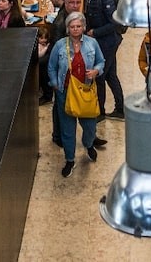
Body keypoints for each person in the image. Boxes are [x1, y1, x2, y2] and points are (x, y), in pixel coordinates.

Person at [47, 11, 104, 177]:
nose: (76, 29)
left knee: (90, 126)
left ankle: (88, 144)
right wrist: (56, 85)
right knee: (67, 129)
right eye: (72, 26)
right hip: (65, 94)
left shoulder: (92, 44)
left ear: (84, 27)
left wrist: (96, 71)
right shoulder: (59, 46)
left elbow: (101, 61)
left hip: (86, 92)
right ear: (67, 29)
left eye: (79, 26)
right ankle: (70, 159)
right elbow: (51, 67)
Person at [83, 0, 124, 119]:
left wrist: (95, 32)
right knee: (111, 75)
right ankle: (120, 108)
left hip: (107, 43)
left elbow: (115, 22)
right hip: (104, 42)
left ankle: (99, 111)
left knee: (99, 75)